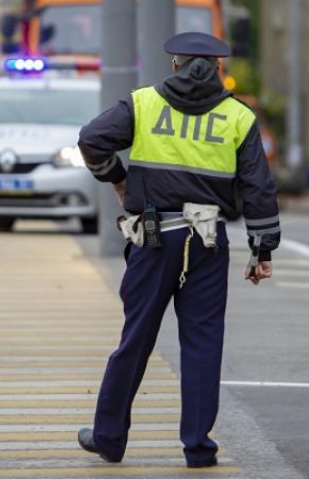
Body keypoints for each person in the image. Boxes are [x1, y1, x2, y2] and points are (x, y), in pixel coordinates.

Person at [75, 32, 280, 468]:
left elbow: (91, 139)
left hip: (154, 237)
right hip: (206, 240)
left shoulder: (144, 103)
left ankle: (109, 438)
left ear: (175, 66)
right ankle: (198, 447)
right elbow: (258, 187)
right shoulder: (237, 117)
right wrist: (262, 250)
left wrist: (118, 179)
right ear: (219, 71)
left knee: (136, 338)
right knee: (203, 343)